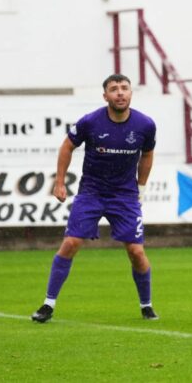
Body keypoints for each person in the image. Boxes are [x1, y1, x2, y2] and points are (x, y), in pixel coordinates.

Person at [31, 74, 157, 323]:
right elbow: (67, 146)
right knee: (70, 244)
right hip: (91, 192)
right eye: (114, 89)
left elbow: (147, 154)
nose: (120, 93)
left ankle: (147, 305)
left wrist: (141, 187)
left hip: (124, 196)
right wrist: (59, 182)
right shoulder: (90, 122)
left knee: (136, 252)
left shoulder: (145, 125)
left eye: (124, 88)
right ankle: (48, 304)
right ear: (105, 96)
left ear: (131, 94)